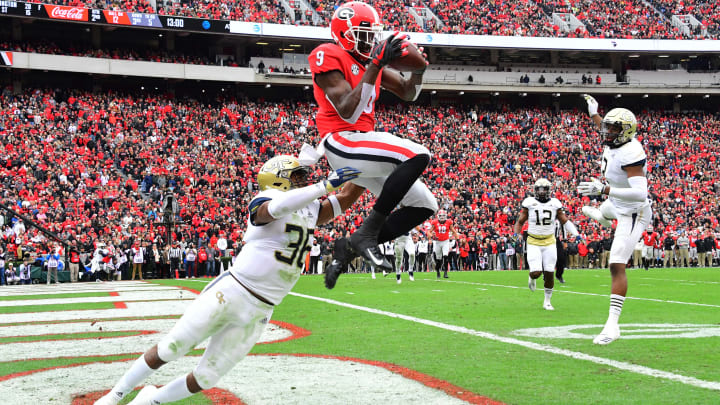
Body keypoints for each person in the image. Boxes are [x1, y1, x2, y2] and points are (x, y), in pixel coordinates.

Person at [94, 155, 363, 405]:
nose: (304, 180)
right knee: (172, 347)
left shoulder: (310, 208)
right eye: (297, 176)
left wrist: (372, 171)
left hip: (262, 309)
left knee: (207, 377)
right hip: (233, 291)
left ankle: (150, 400)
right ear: (278, 178)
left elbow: (347, 196)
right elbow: (276, 209)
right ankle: (114, 396)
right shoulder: (266, 198)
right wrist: (322, 185)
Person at [305, 1, 438, 289]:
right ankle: (368, 232)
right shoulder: (328, 53)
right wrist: (375, 64)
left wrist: (419, 70)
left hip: (360, 147)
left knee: (425, 205)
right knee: (418, 154)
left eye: (372, 33)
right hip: (340, 140)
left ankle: (350, 247)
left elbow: (407, 92)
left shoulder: (368, 64)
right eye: (363, 33)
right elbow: (347, 111)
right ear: (344, 33)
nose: (370, 40)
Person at [578, 94, 652, 345]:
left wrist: (604, 190)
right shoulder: (616, 140)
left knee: (616, 264)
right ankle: (601, 216)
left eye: (612, 128)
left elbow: (641, 193)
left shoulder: (631, 151)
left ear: (625, 131)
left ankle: (612, 325)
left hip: (634, 211)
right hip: (616, 205)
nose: (606, 131)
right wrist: (593, 113)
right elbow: (603, 126)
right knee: (605, 211)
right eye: (607, 126)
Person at [514, 178, 580, 311]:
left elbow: (564, 221)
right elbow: (520, 221)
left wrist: (576, 233)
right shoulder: (529, 203)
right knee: (536, 272)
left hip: (550, 241)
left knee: (549, 272)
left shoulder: (555, 203)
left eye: (544, 189)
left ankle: (547, 301)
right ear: (535, 190)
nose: (542, 191)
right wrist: (516, 234)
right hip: (533, 241)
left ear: (549, 190)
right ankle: (531, 277)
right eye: (539, 189)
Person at [429, 210, 460, 279]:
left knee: (446, 256)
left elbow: (454, 231)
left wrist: (457, 239)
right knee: (438, 259)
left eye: (443, 216)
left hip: (445, 241)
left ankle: (445, 272)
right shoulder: (435, 222)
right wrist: (432, 237)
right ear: (438, 216)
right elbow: (429, 231)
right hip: (438, 242)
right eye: (441, 216)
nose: (442, 217)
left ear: (445, 216)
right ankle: (438, 272)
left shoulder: (449, 222)